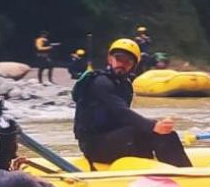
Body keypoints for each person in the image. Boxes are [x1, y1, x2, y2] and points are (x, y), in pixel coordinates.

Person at [72, 38, 193, 169]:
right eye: (119, 59)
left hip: (115, 137)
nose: (122, 64)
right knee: (145, 132)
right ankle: (177, 172)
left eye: (128, 61)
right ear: (110, 59)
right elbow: (120, 112)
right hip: (93, 145)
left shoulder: (125, 85)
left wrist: (155, 126)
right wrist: (153, 125)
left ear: (133, 65)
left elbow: (124, 119)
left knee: (166, 134)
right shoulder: (99, 83)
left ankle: (183, 171)